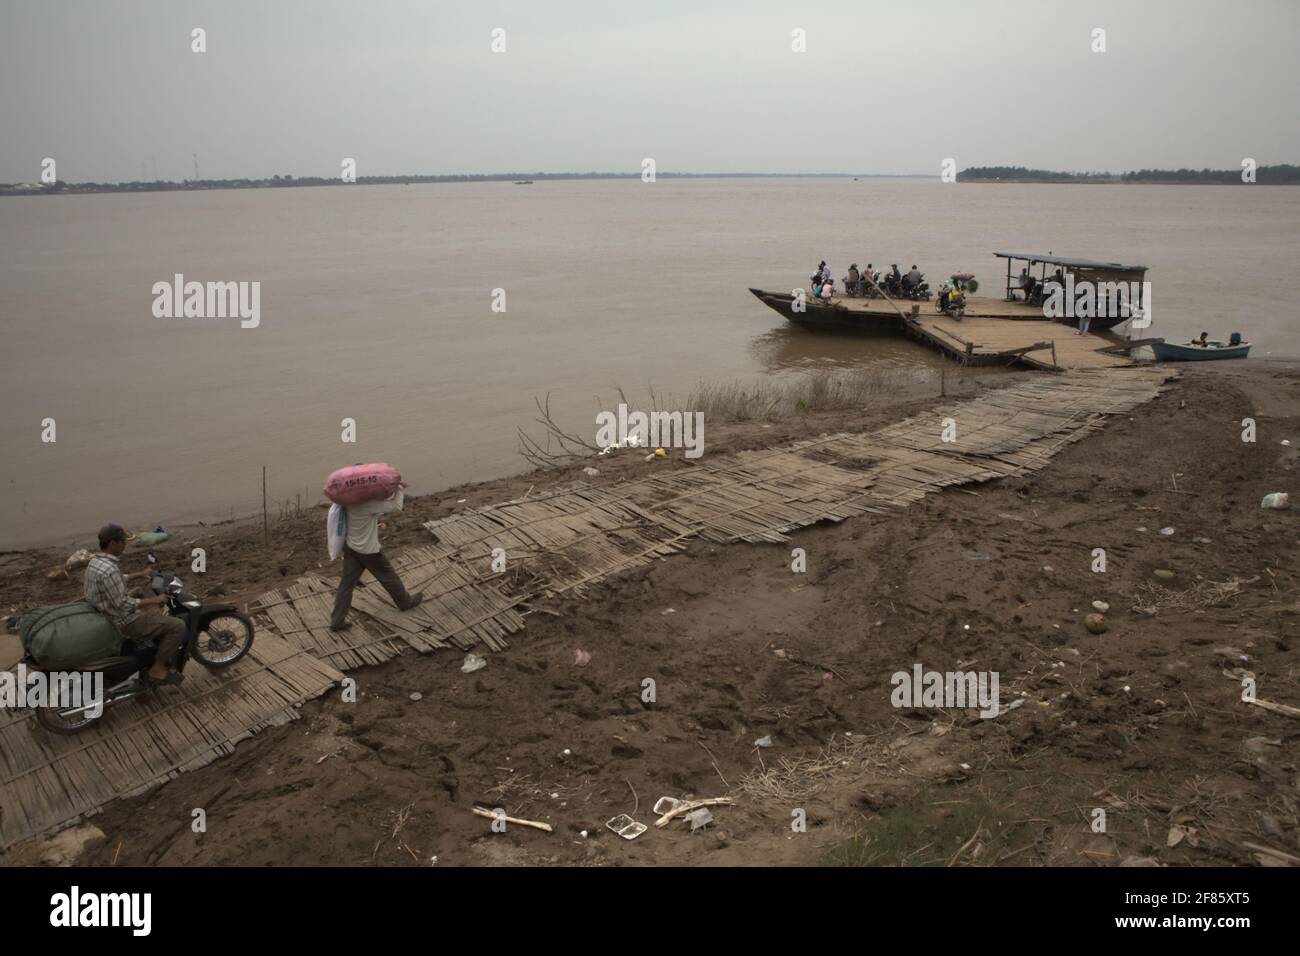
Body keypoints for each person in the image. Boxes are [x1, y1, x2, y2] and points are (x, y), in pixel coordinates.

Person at [85, 523, 186, 686]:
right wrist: (156, 600)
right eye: (123, 541)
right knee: (177, 626)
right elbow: (123, 604)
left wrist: (140, 574)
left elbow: (116, 580)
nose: (125, 545)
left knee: (139, 591)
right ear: (113, 543)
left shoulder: (96, 562)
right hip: (122, 622)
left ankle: (147, 651)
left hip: (103, 612)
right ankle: (157, 668)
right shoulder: (109, 570)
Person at [330, 488, 424, 631]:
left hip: (351, 547)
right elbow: (396, 506)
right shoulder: (368, 504)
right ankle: (405, 602)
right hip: (368, 550)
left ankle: (337, 621)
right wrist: (398, 489)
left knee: (346, 585)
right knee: (388, 576)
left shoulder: (345, 503)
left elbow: (378, 510)